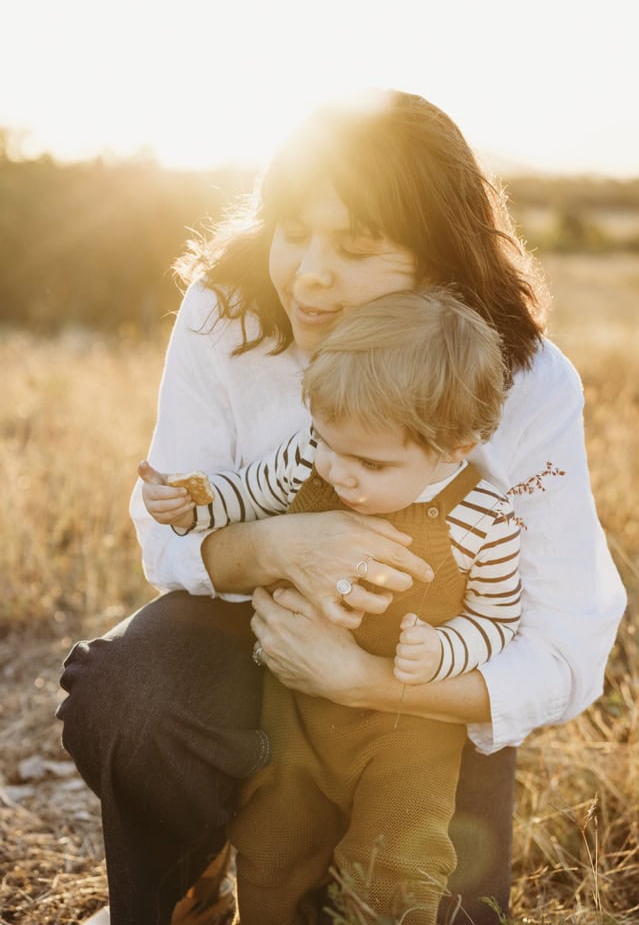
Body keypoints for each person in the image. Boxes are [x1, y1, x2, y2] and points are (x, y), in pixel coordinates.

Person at [57, 88, 626, 925]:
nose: (308, 274)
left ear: (436, 260)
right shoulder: (229, 315)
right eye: (293, 230)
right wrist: (286, 547)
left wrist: (368, 680)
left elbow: (564, 645)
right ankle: (193, 871)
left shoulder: (525, 379)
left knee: (426, 903)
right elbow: (167, 543)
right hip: (253, 642)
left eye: (355, 247)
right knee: (133, 704)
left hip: (421, 694)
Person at [140, 288, 522, 922]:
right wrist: (193, 502)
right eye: (324, 441)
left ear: (453, 446)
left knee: (397, 864)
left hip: (409, 738)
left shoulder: (484, 519)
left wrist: (445, 648)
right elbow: (244, 495)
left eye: (369, 463)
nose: (337, 472)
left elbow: (498, 621)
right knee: (273, 845)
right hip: (295, 718)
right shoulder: (308, 460)